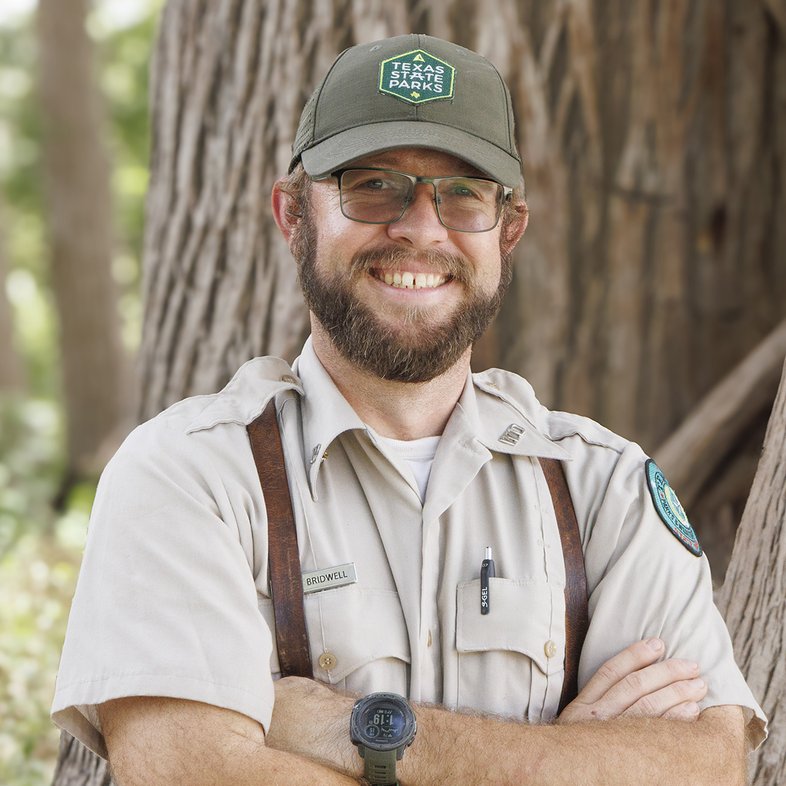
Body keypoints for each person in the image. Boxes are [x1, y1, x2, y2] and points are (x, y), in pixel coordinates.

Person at [52, 34, 765, 785]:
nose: (421, 229)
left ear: (509, 229)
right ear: (293, 215)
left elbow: (704, 766)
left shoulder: (607, 491)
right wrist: (564, 761)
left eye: (463, 194)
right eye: (372, 186)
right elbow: (187, 775)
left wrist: (357, 732)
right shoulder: (190, 475)